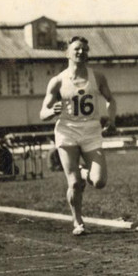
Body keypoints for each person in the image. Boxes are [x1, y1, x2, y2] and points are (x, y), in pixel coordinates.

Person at [39, 35, 117, 236]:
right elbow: (42, 113)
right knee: (73, 183)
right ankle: (78, 221)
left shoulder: (97, 77)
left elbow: (111, 100)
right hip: (67, 132)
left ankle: (84, 172)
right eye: (77, 49)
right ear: (67, 53)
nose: (81, 52)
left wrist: (111, 120)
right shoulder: (57, 81)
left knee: (99, 181)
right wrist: (52, 111)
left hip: (91, 132)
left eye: (84, 49)